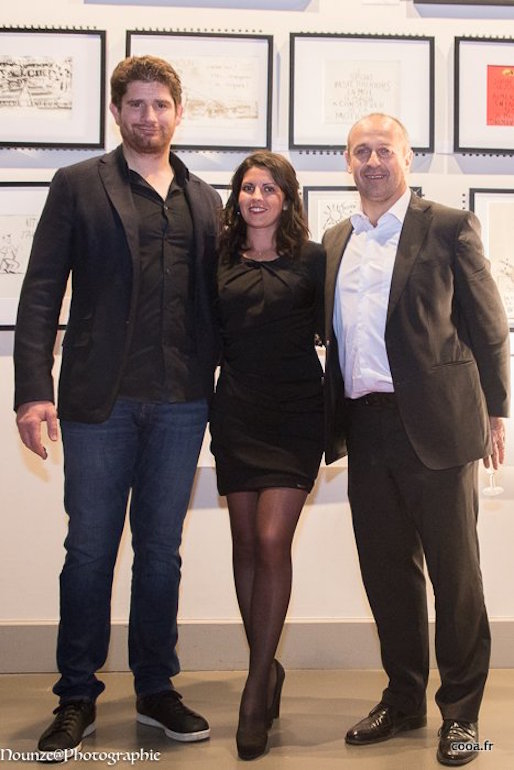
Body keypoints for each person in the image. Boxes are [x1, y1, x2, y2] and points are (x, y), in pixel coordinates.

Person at [13, 55, 221, 758]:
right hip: (97, 405)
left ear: (178, 113)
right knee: (90, 551)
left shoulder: (204, 199)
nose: (148, 116)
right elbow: (41, 291)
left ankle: (157, 687)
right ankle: (76, 694)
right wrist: (33, 391)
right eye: (135, 104)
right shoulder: (78, 185)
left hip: (182, 403)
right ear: (116, 111)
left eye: (160, 104)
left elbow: (221, 302)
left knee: (161, 553)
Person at [322, 113, 510, 767]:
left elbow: (489, 325)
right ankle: (402, 700)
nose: (373, 161)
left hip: (439, 425)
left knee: (456, 578)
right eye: (361, 151)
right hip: (365, 426)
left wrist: (496, 412)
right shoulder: (336, 238)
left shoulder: (449, 226)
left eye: (385, 150)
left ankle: (461, 714)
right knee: (387, 574)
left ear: (408, 158)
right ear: (348, 161)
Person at [209, 151, 325, 760]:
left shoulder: (313, 259)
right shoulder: (219, 259)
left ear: (287, 198)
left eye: (269, 188)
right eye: (248, 188)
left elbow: (338, 329)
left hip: (297, 414)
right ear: (237, 197)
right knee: (245, 544)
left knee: (272, 538)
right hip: (237, 412)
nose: (257, 197)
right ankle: (268, 666)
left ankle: (256, 687)